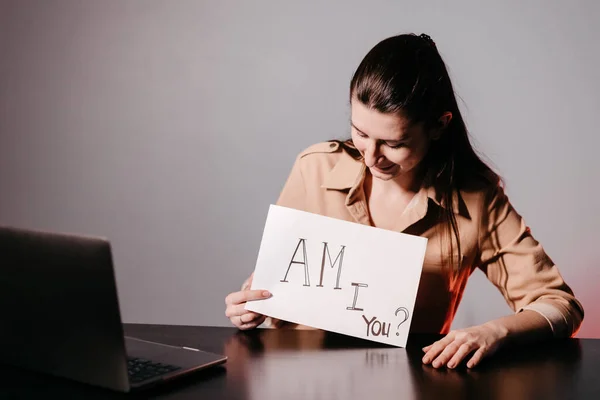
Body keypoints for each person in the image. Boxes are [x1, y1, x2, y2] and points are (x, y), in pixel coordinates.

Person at [224, 33, 584, 369]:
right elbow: (272, 285)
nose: (371, 156)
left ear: (439, 126)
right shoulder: (314, 168)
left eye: (393, 143)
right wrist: (249, 304)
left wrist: (494, 332)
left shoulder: (477, 200)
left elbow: (560, 305)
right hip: (302, 381)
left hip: (407, 383)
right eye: (360, 133)